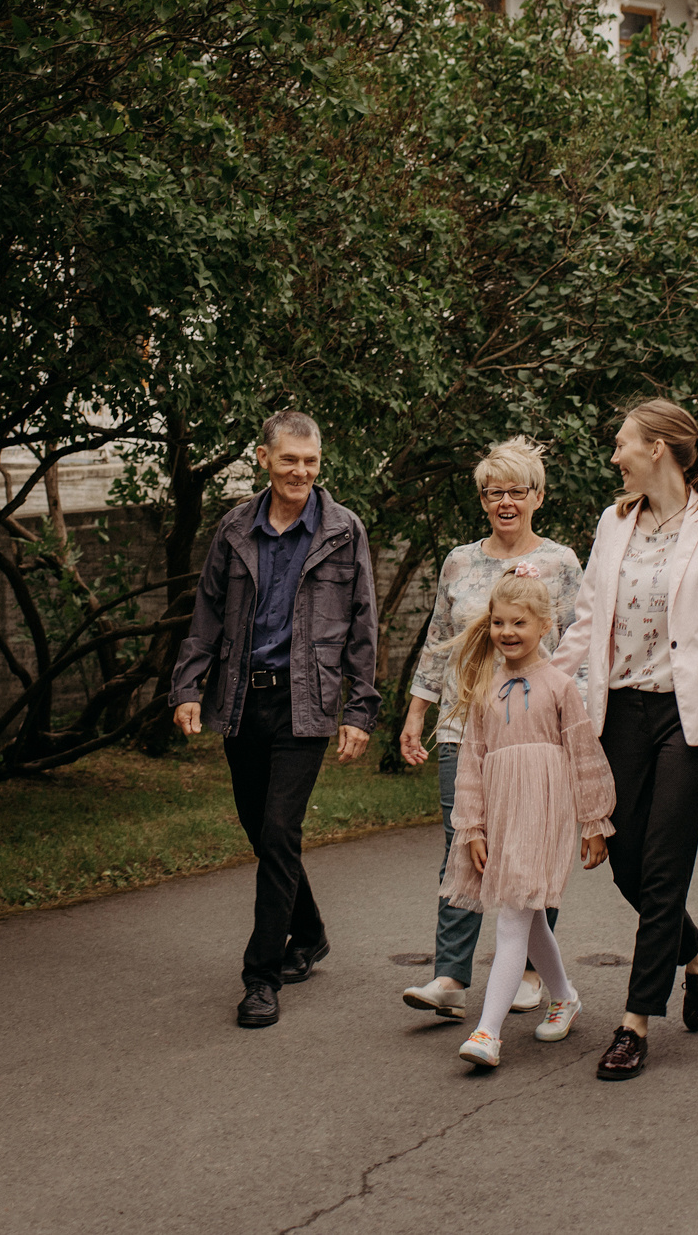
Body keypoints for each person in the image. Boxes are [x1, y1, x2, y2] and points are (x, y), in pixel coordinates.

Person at [548, 399, 698, 1081]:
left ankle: (635, 1022)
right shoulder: (614, 523)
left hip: (691, 721)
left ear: (661, 448)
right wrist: (542, 684)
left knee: (664, 865)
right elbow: (586, 621)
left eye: (623, 445)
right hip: (621, 714)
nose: (615, 457)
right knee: (627, 863)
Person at [171, 411, 380, 1030]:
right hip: (241, 701)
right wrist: (187, 686)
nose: (301, 472)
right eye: (290, 460)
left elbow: (364, 625)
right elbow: (206, 613)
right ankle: (309, 932)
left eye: (311, 462)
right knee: (264, 834)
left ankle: (261, 977)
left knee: (280, 832)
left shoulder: (344, 531)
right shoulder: (235, 526)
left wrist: (360, 710)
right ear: (264, 459)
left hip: (305, 703)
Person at [397, 438, 584, 1023]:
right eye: (494, 491)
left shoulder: (562, 563)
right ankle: (451, 973)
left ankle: (533, 973)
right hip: (463, 722)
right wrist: (416, 713)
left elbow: (579, 646)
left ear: (538, 496)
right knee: (464, 840)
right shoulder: (458, 561)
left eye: (518, 490)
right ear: (482, 499)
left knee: (528, 848)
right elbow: (436, 640)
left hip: (533, 731)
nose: (506, 501)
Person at [438, 563, 616, 1068]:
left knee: (515, 913)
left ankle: (487, 1032)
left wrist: (595, 821)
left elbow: (584, 756)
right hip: (502, 812)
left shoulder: (559, 686)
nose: (507, 633)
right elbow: (471, 764)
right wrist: (471, 827)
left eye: (519, 623)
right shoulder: (482, 690)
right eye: (499, 623)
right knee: (527, 909)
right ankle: (566, 997)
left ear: (543, 627)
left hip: (546, 810)